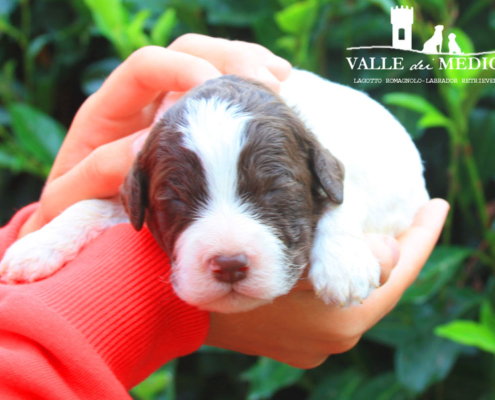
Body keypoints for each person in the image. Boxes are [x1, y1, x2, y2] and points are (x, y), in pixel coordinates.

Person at [0, 34, 449, 399]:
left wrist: (338, 232)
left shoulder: (328, 145)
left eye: (272, 195)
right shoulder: (147, 159)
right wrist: (59, 234)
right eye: (180, 203)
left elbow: (345, 186)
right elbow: (117, 206)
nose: (228, 255)